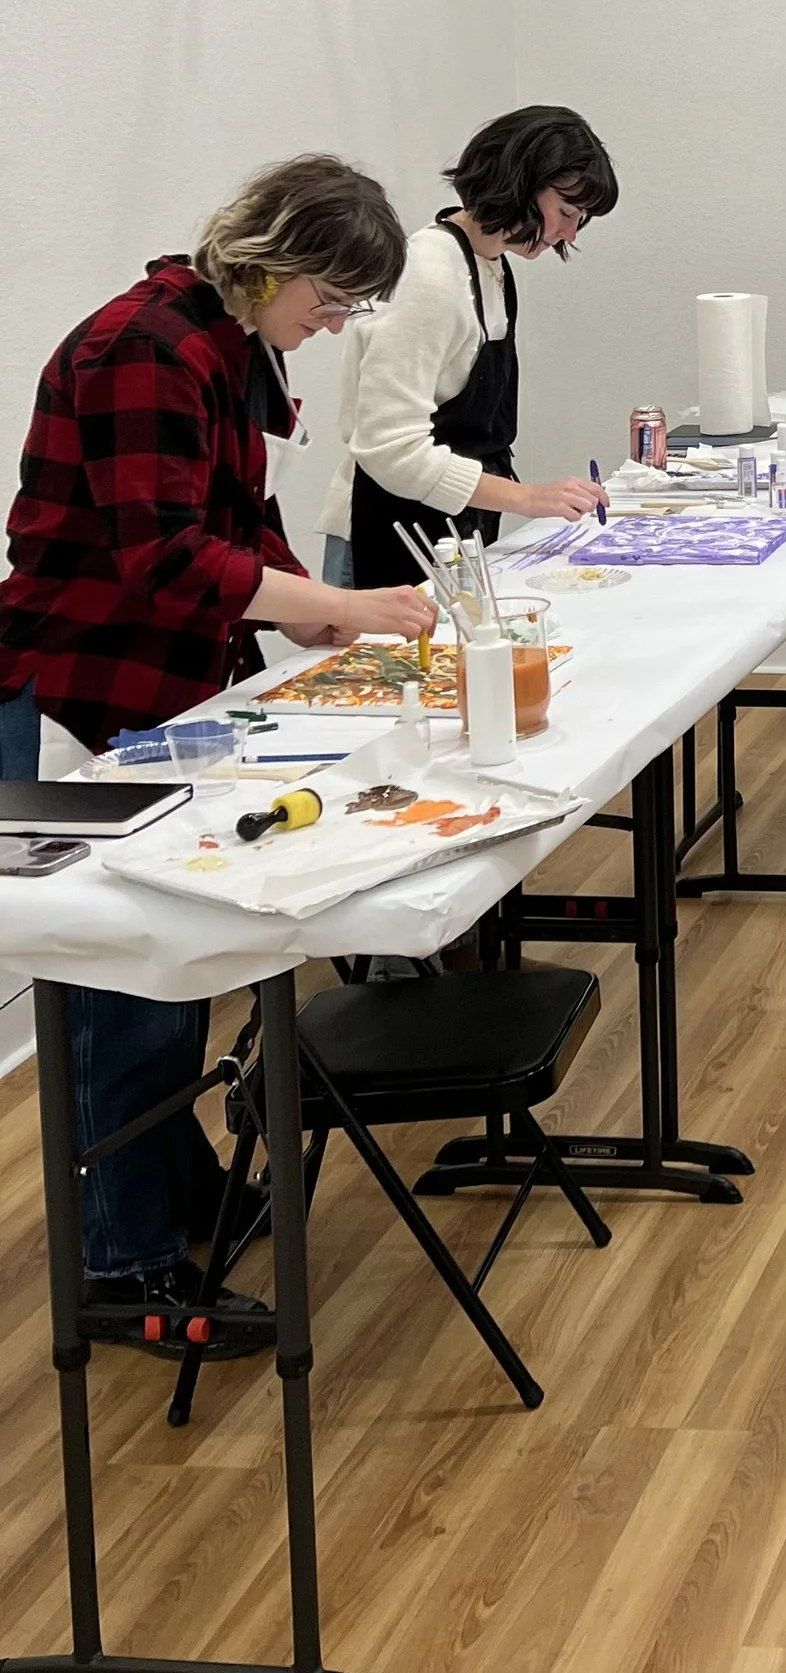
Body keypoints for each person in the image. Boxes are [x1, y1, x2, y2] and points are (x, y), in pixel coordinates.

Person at [0, 156, 435, 1347]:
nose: (334, 324)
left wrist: (303, 603)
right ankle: (124, 1268)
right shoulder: (144, 349)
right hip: (85, 687)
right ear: (277, 256)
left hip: (165, 686)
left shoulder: (232, 343)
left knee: (175, 961)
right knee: (120, 977)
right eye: (333, 300)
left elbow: (239, 517)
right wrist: (341, 609)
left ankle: (170, 1190)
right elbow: (163, 557)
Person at [321, 104, 618, 588]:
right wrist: (529, 499)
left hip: (451, 530)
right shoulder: (430, 273)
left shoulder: (492, 266)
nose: (568, 233)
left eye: (580, 220)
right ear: (518, 184)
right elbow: (391, 449)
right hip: (387, 532)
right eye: (565, 212)